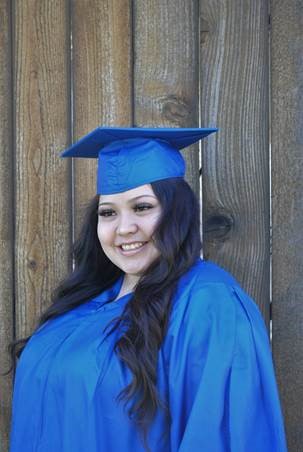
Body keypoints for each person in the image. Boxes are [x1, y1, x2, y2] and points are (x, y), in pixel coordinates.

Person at [8, 127, 287, 452]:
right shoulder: (86, 303)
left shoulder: (209, 302)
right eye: (108, 212)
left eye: (142, 207)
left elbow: (222, 434)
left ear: (177, 213)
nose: (124, 228)